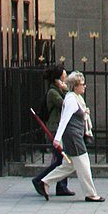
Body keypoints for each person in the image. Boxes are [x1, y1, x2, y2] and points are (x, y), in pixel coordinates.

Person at [38, 72, 104, 202]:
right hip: (73, 137)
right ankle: (90, 194)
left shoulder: (75, 97)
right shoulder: (71, 100)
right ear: (75, 86)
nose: (84, 86)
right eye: (82, 84)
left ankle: (45, 182)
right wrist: (57, 139)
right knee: (83, 163)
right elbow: (64, 120)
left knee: (69, 165)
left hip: (73, 135)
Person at [32, 64, 74, 197]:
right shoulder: (53, 92)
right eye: (64, 77)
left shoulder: (58, 91)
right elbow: (65, 105)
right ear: (57, 79)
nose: (65, 79)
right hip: (54, 129)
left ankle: (61, 186)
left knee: (61, 159)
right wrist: (67, 90)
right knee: (60, 159)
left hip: (61, 128)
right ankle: (39, 180)